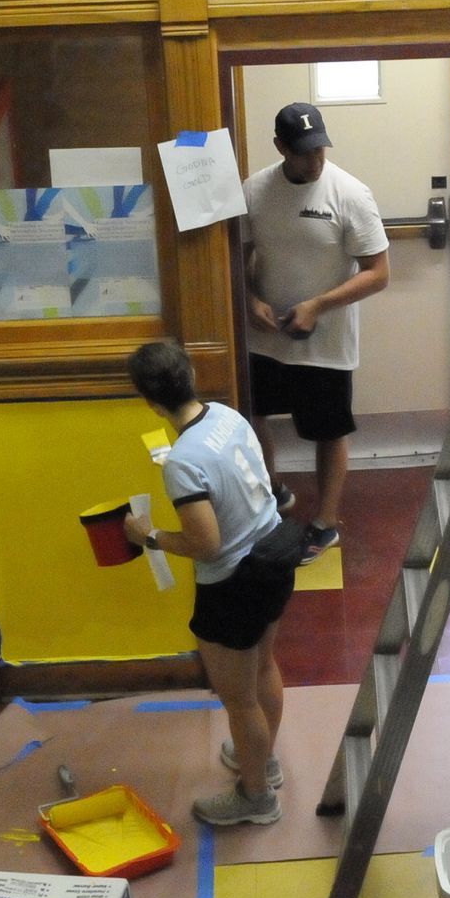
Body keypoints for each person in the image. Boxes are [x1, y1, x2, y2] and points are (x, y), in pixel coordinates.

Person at [123, 340, 298, 827]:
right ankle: (262, 760)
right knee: (263, 668)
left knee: (239, 700)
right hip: (273, 557)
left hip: (232, 583)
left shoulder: (183, 462)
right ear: (191, 376)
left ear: (152, 403)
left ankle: (256, 796)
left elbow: (206, 543)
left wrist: (149, 535)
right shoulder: (227, 416)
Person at [242, 101, 390, 563]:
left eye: (320, 149)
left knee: (328, 431)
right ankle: (272, 493)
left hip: (324, 342)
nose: (314, 160)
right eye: (303, 151)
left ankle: (325, 524)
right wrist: (250, 300)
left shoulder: (350, 194)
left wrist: (318, 305)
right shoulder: (255, 190)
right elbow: (237, 255)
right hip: (264, 336)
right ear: (281, 147)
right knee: (253, 418)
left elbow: (379, 273)